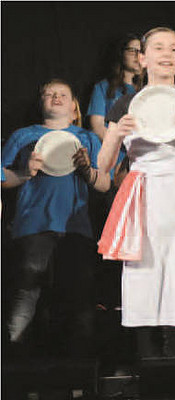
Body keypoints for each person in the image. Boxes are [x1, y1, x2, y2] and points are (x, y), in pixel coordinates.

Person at [96, 27, 175, 357]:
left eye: (173, 49)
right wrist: (115, 136)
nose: (167, 54)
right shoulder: (126, 103)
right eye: (158, 48)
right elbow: (103, 165)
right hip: (143, 198)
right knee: (144, 279)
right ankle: (148, 367)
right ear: (142, 58)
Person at [2, 79, 110, 356]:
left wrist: (86, 171)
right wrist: (25, 172)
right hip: (33, 226)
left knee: (78, 299)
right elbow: (2, 177)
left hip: (75, 227)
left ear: (74, 107)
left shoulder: (87, 138)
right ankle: (15, 366)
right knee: (26, 295)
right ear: (41, 104)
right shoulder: (24, 135)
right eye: (49, 94)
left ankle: (79, 367)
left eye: (63, 94)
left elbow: (104, 183)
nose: (56, 97)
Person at [87, 33, 142, 139]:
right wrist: (118, 144)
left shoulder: (148, 90)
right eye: (132, 50)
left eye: (141, 51)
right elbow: (97, 127)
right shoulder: (102, 87)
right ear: (121, 54)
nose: (137, 55)